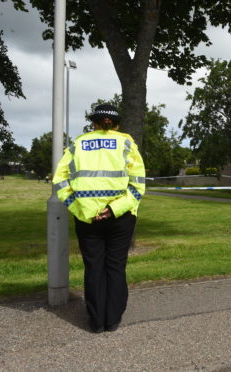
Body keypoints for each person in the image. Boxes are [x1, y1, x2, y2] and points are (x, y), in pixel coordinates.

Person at [52, 104, 146, 333]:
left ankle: (95, 321)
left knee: (93, 267)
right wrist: (115, 209)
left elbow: (60, 181)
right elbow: (138, 184)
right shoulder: (126, 143)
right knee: (115, 266)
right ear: (117, 123)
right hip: (121, 216)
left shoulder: (78, 144)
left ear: (93, 122)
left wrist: (78, 208)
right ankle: (112, 319)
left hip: (87, 217)